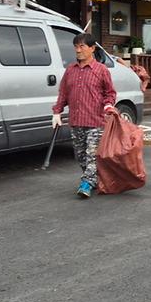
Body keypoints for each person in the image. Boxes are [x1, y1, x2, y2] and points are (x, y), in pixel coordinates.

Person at [52, 33, 117, 198]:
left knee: (92, 154)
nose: (78, 50)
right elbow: (63, 93)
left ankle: (86, 183)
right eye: (76, 47)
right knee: (80, 155)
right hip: (76, 121)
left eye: (82, 46)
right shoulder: (70, 70)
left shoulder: (101, 70)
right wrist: (57, 112)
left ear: (92, 49)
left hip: (96, 121)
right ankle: (93, 178)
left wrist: (109, 104)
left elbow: (110, 92)